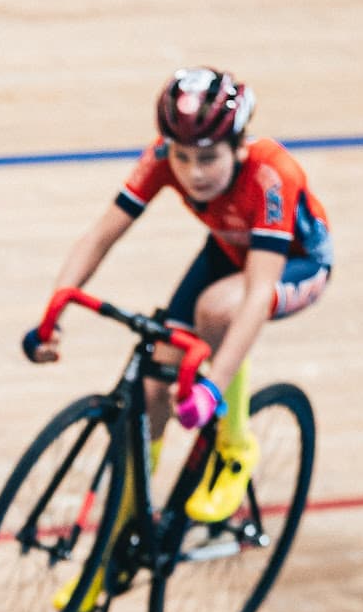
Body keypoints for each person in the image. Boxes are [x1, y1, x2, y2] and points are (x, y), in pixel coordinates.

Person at [27, 67, 332, 525]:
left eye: (208, 158)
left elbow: (256, 294)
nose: (193, 173)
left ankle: (234, 448)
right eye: (183, 157)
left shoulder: (272, 175)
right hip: (229, 249)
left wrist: (211, 387)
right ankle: (123, 534)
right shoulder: (162, 158)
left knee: (218, 310)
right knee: (152, 390)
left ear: (238, 147)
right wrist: (54, 310)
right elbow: (99, 236)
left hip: (295, 262)